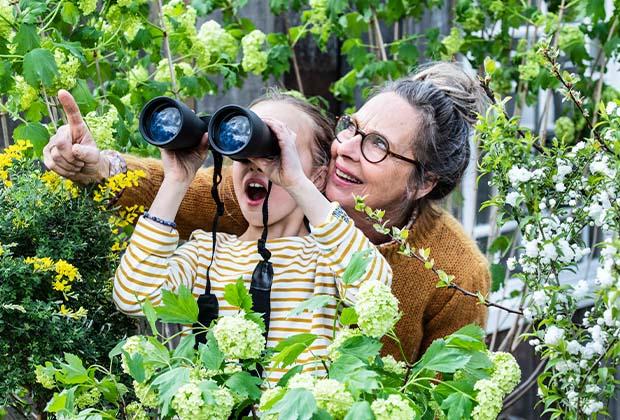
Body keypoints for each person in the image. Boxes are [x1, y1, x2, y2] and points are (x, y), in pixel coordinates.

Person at [46, 61, 490, 361]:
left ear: (424, 181)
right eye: (352, 127)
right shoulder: (254, 205)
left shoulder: (455, 270)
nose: (346, 150)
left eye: (378, 145)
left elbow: (445, 385)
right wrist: (103, 167)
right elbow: (174, 195)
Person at [111, 90, 392, 381]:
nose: (256, 163)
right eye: (243, 151)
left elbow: (373, 289)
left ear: (317, 177)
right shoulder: (205, 254)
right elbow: (134, 296)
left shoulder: (329, 260)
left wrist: (296, 182)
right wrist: (177, 180)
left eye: (275, 150)